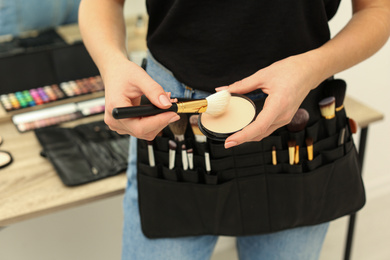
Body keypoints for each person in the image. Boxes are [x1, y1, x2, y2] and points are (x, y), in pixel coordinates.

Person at [79, 0, 390, 259]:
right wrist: (112, 65)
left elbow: (377, 10)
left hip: (295, 108)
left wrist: (312, 67)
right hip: (174, 111)